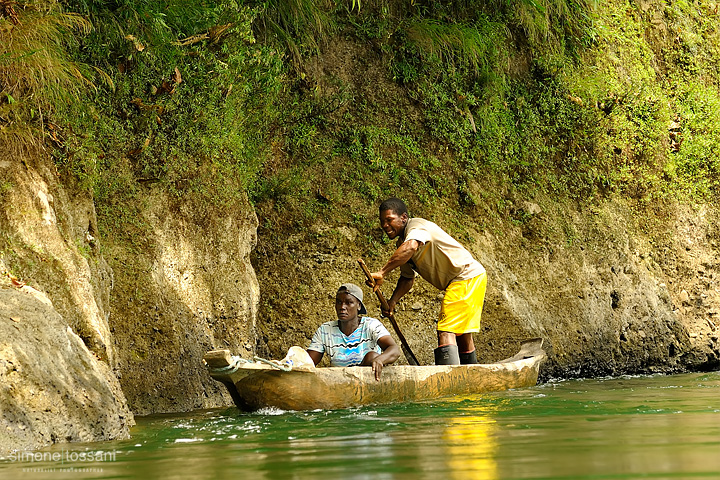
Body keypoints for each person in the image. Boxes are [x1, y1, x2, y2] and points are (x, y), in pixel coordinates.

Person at [368, 198, 487, 365]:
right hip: (469, 278)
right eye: (382, 222)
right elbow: (407, 278)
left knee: (445, 330)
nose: (385, 225)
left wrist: (382, 272)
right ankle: (471, 372)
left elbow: (411, 247)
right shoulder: (402, 243)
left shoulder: (416, 227)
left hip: (464, 277)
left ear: (403, 217)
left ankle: (449, 380)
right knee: (462, 332)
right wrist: (393, 301)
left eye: (389, 220)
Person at [307, 283, 400, 380]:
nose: (342, 307)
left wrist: (380, 359)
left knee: (371, 356)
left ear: (359, 305)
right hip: (340, 383)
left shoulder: (371, 325)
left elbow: (394, 350)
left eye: (348, 302)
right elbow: (308, 362)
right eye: (339, 302)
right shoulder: (325, 330)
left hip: (368, 383)